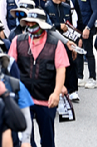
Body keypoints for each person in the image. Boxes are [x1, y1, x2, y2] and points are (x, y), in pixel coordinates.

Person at [8, 9, 68, 147]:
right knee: (26, 139)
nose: (30, 26)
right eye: (28, 23)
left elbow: (61, 69)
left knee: (47, 139)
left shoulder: (56, 44)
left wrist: (56, 92)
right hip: (23, 98)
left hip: (46, 99)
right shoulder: (18, 41)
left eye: (34, 23)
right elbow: (10, 67)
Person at [71, 0, 97, 89]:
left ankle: (92, 78)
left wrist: (88, 27)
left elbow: (95, 12)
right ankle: (80, 76)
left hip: (87, 26)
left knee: (88, 52)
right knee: (78, 50)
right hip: (77, 27)